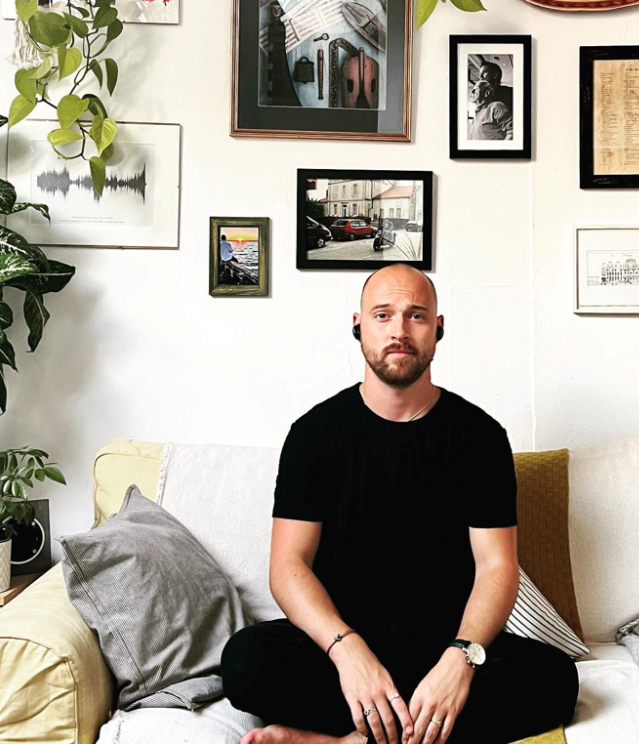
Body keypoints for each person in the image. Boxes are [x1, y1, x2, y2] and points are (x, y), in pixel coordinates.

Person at [221, 264, 579, 744]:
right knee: (245, 662)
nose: (399, 331)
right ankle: (399, 729)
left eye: (416, 316)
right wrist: (348, 653)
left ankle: (344, 741)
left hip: (445, 645)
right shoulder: (314, 435)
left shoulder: (481, 438)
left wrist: (461, 659)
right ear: (358, 324)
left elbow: (498, 566)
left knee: (557, 682)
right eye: (383, 315)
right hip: (343, 646)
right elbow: (288, 566)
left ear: (438, 328)